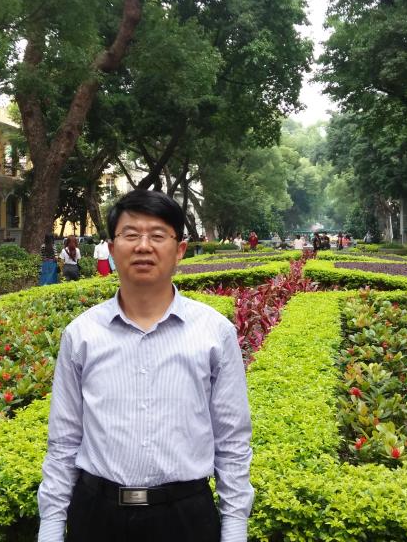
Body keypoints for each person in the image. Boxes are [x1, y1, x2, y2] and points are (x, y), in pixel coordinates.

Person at [38, 189, 253, 542]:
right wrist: (50, 528)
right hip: (96, 516)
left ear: (179, 249)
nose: (143, 246)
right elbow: (63, 440)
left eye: (157, 235)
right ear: (112, 248)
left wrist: (234, 529)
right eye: (131, 234)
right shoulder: (82, 334)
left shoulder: (215, 333)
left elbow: (232, 440)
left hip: (185, 518)